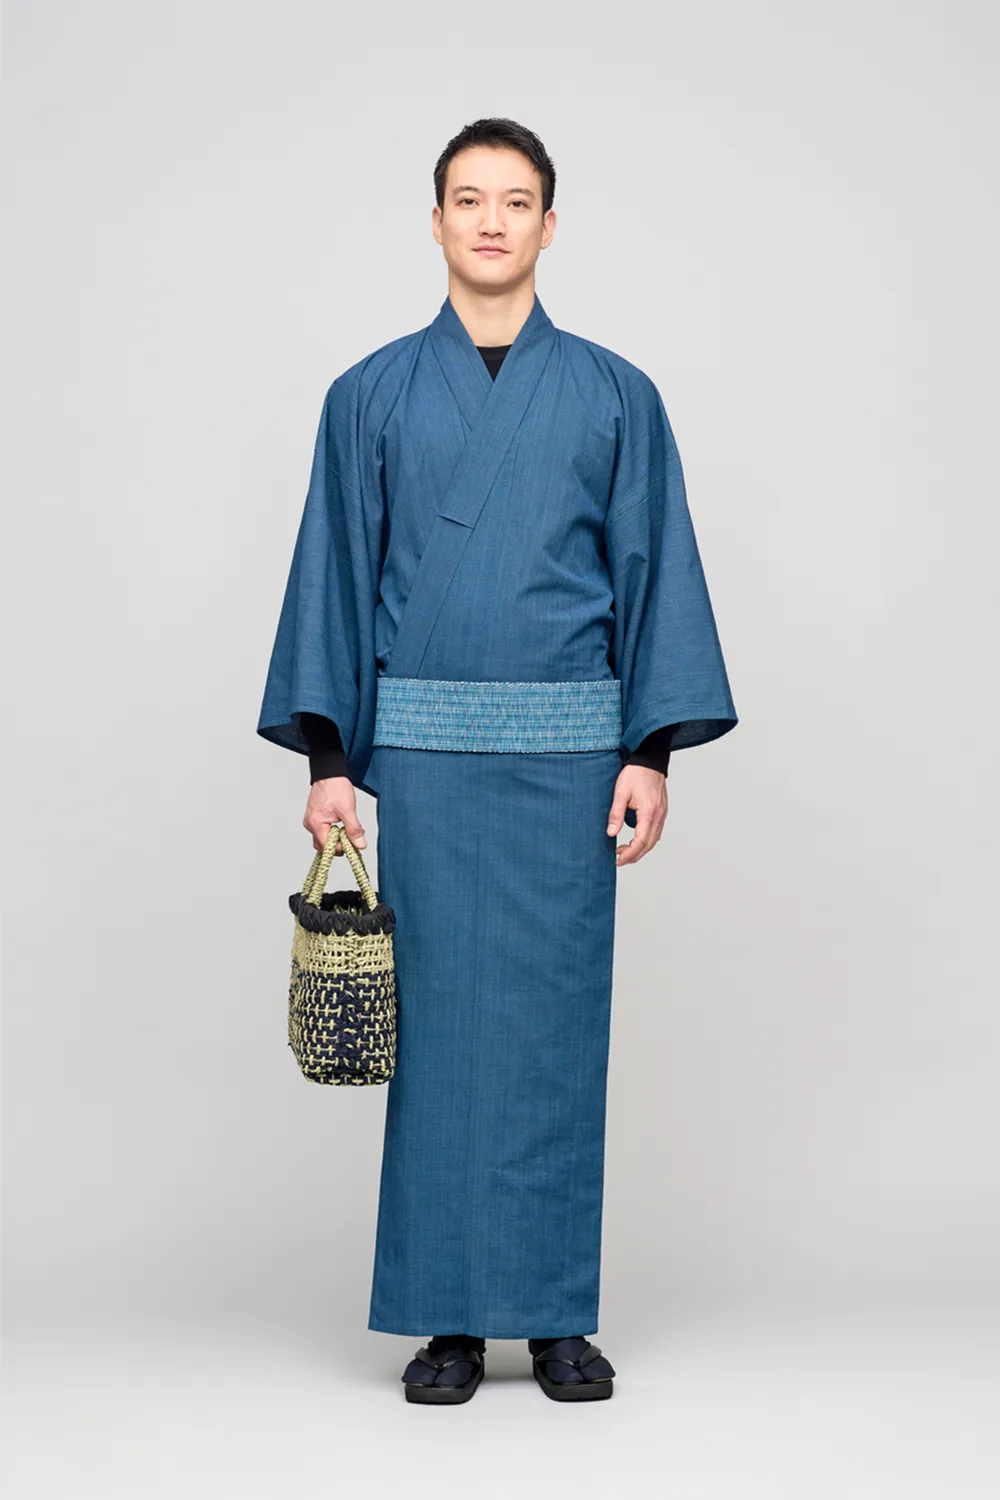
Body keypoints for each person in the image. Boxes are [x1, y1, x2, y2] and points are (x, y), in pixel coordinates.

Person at [256, 117, 738, 1404]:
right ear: (435, 222)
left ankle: (554, 1316)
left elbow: (651, 567)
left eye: (513, 201)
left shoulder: (615, 395)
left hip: (569, 760)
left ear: (547, 226)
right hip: (421, 759)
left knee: (554, 1036)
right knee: (438, 1046)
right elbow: (334, 577)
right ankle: (450, 1323)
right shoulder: (368, 395)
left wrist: (649, 752)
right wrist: (327, 759)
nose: (489, 220)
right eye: (467, 199)